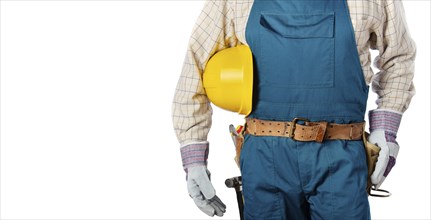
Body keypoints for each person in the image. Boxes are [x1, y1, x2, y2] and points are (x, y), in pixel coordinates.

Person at [172, 0, 416, 219]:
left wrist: (385, 129)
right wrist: (194, 158)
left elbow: (398, 57)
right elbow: (196, 66)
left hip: (341, 154)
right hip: (265, 158)